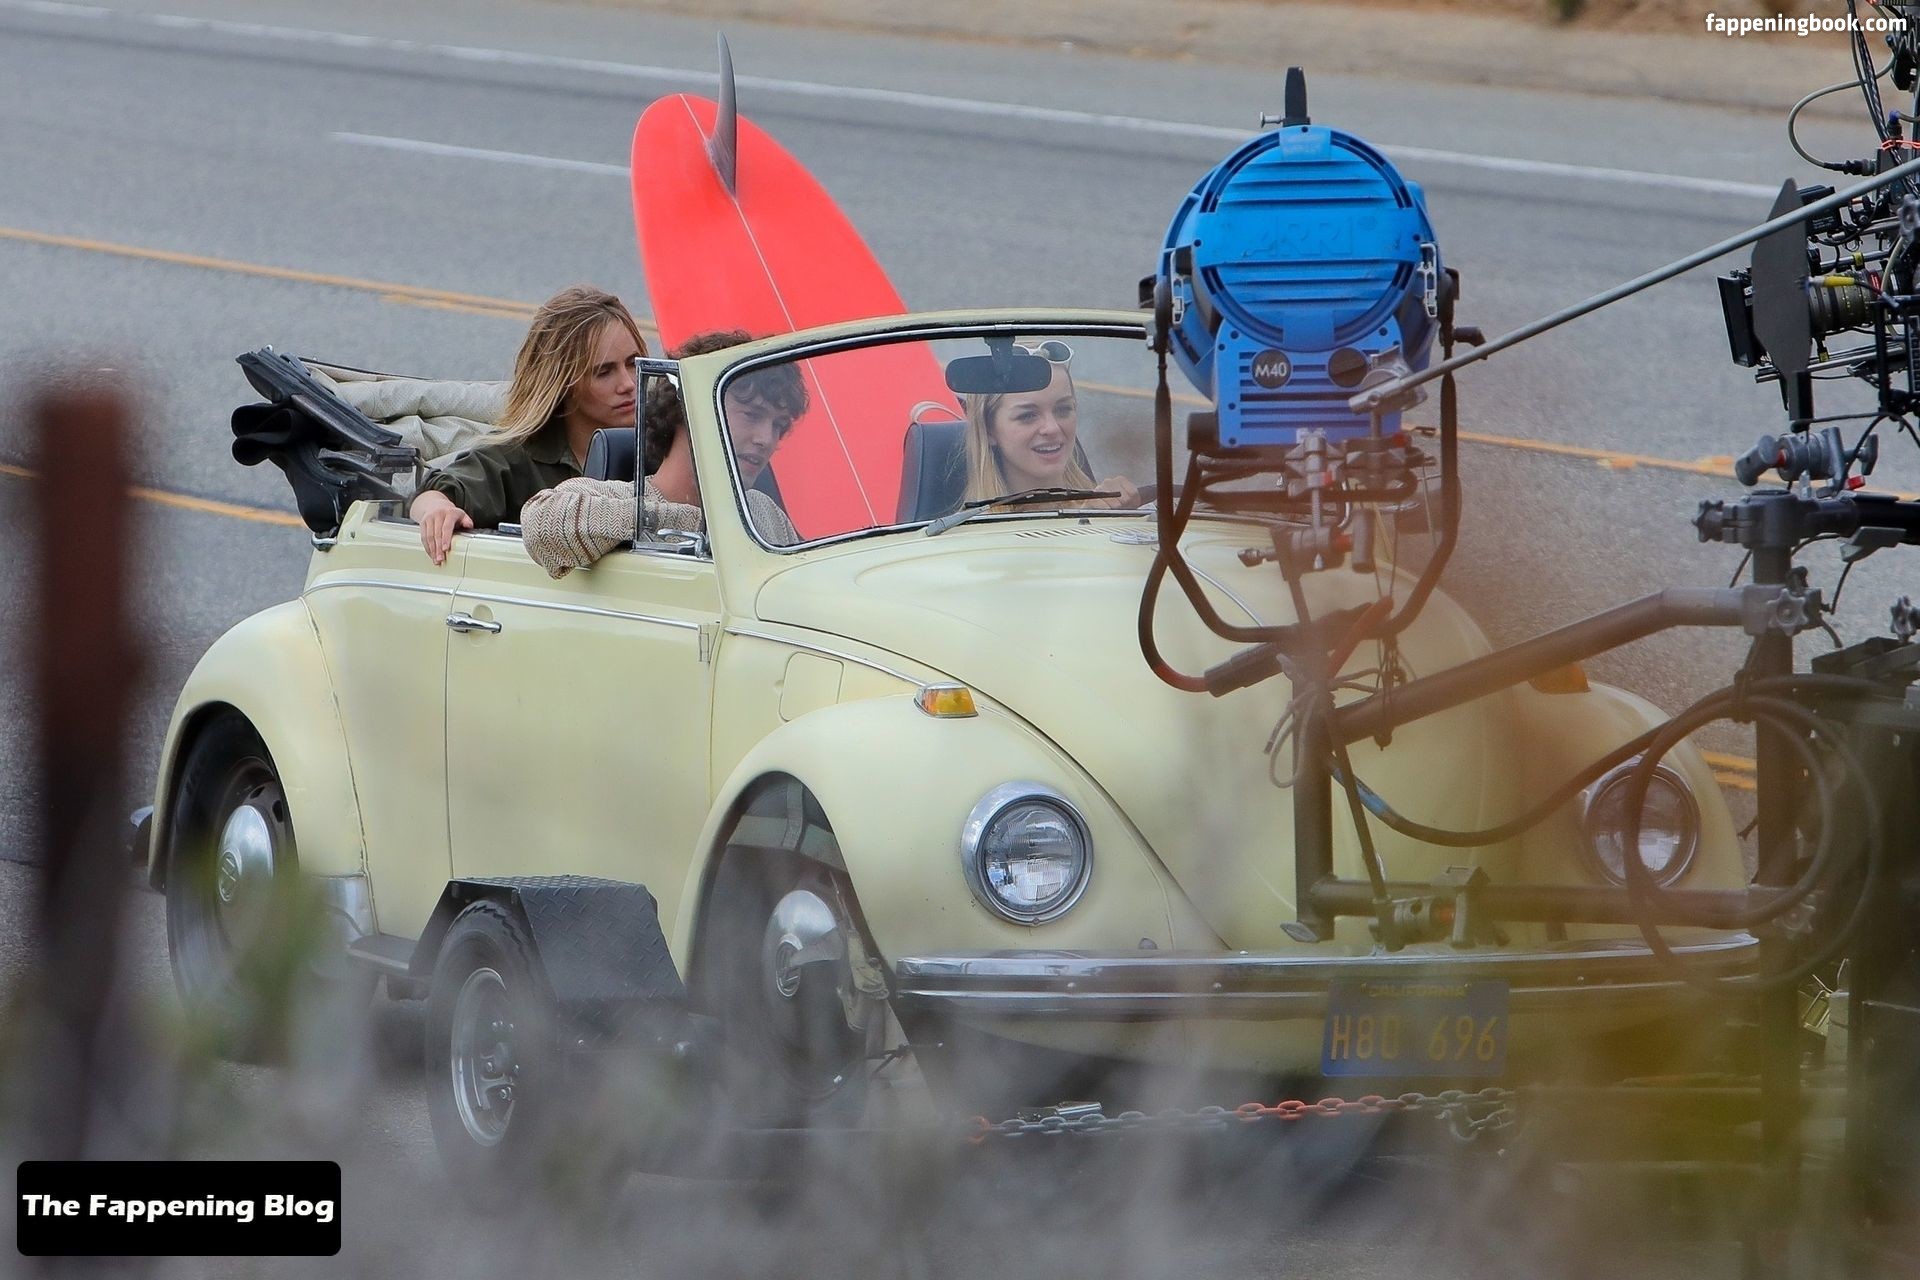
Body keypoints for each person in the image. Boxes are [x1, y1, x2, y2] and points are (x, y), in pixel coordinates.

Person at [520, 334, 807, 577]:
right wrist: (683, 522)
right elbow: (542, 525)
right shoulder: (616, 497)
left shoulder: (764, 513)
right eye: (752, 415)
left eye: (779, 425)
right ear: (690, 409)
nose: (766, 439)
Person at [409, 285, 647, 564]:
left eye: (633, 363)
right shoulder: (517, 456)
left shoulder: (667, 442)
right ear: (564, 383)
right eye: (604, 372)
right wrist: (437, 511)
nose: (628, 384)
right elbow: (435, 493)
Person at [960, 342, 1139, 509]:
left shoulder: (1114, 512)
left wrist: (1121, 519)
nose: (1052, 428)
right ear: (988, 429)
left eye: (1063, 409)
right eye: (1027, 415)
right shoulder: (964, 530)